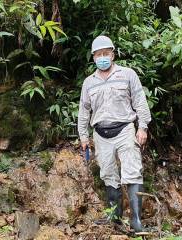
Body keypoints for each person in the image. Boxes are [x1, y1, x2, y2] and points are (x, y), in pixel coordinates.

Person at [77, 35, 151, 232]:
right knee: (108, 174)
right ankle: (115, 218)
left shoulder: (127, 74)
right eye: (98, 54)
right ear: (93, 57)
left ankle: (136, 220)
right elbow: (84, 111)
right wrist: (83, 137)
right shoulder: (88, 83)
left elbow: (140, 101)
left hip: (125, 129)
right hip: (101, 134)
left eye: (106, 53)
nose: (103, 57)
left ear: (113, 54)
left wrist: (142, 127)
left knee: (132, 172)